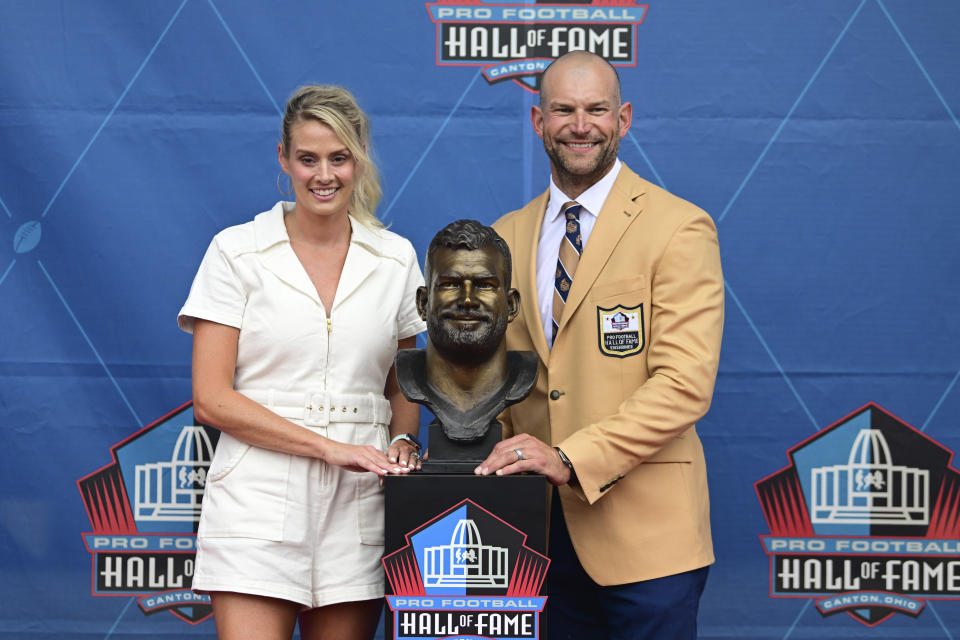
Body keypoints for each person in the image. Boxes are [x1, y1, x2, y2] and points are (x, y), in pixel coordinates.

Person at [475, 51, 725, 639]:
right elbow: (501, 381)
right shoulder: (506, 235)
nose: (580, 125)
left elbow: (684, 385)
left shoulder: (678, 227)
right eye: (563, 109)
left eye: (596, 110)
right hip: (538, 539)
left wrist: (569, 459)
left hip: (649, 541)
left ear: (625, 118)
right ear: (538, 120)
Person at [177, 85, 426, 640]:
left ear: (359, 158)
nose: (324, 175)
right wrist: (330, 447)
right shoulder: (235, 251)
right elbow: (211, 400)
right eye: (308, 158)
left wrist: (402, 444)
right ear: (284, 159)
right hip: (256, 500)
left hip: (360, 501)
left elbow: (403, 385)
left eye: (339, 158)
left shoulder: (396, 258)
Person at [394, 220, 536, 467]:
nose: (468, 300)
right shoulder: (408, 376)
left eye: (484, 285)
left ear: (512, 305)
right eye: (450, 284)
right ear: (423, 303)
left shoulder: (525, 376)